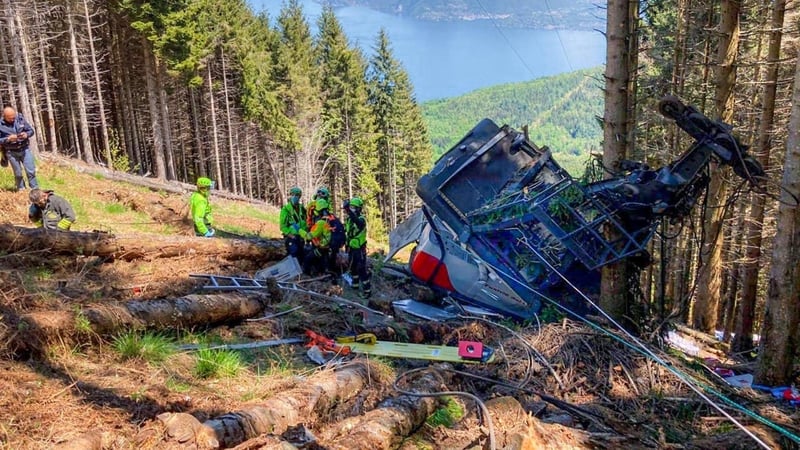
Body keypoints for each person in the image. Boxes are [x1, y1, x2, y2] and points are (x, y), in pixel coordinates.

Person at [300, 198, 342, 282]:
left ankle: (306, 277)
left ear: (318, 211)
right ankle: (327, 276)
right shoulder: (330, 219)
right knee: (324, 264)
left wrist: (299, 230)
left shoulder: (320, 223)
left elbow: (309, 236)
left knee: (307, 259)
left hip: (321, 248)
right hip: (328, 247)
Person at [0, 105, 38, 191]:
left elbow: (31, 131)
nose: (13, 120)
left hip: (25, 149)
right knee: (18, 174)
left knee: (31, 171)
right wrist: (8, 139)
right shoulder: (0, 125)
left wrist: (26, 135)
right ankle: (21, 190)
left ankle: (35, 189)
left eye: (14, 117)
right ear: (4, 116)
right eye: (10, 118)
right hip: (11, 152)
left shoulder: (20, 119)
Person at [343, 197, 371, 298]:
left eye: (354, 207)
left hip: (359, 249)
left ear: (359, 209)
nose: (352, 209)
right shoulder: (349, 220)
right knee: (353, 269)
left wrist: (348, 210)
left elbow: (358, 223)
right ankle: (355, 286)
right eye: (351, 207)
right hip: (351, 248)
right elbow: (348, 232)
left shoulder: (361, 219)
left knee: (361, 270)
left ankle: (367, 291)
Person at [280, 186, 307, 260]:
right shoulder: (286, 210)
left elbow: (305, 222)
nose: (295, 197)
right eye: (293, 195)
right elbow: (283, 226)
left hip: (301, 237)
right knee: (293, 254)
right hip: (292, 238)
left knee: (301, 256)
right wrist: (290, 235)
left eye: (297, 195)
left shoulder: (302, 209)